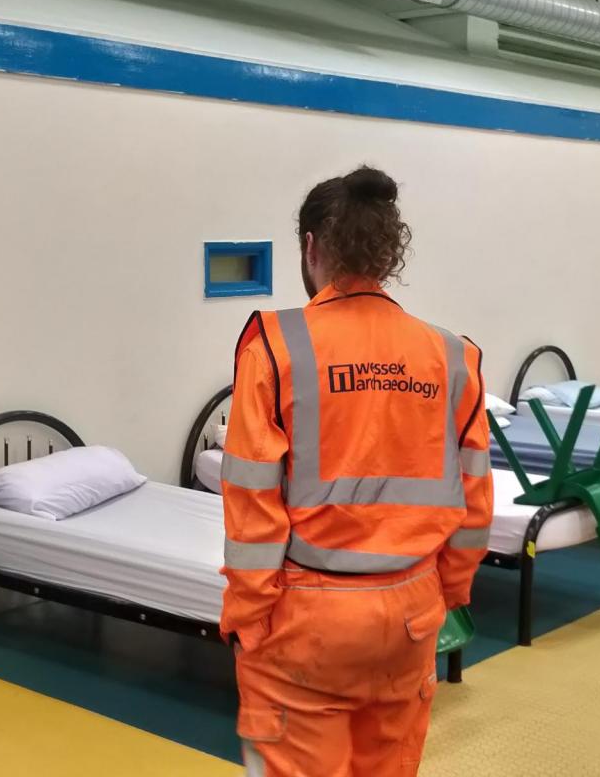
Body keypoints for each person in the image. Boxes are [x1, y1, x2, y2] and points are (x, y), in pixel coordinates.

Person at [220, 166, 493, 776]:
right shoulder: (453, 356)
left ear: (310, 247)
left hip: (305, 619)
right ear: (389, 251)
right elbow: (475, 500)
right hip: (412, 610)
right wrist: (447, 591)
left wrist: (248, 615)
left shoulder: (275, 346)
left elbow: (250, 501)